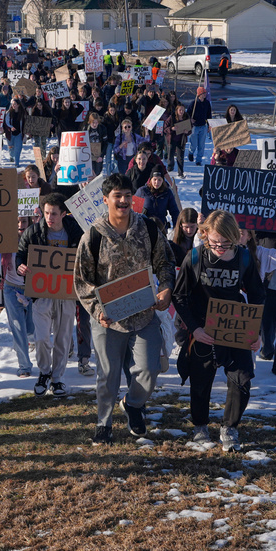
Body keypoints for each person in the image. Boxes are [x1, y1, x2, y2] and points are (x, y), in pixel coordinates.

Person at [74, 174, 175, 445]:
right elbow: (82, 281)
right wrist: (97, 311)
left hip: (144, 315)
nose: (123, 201)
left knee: (149, 370)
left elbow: (165, 264)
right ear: (105, 200)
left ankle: (133, 403)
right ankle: (103, 423)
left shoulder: (149, 229)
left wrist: (165, 288)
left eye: (127, 195)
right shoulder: (93, 236)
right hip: (109, 320)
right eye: (117, 196)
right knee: (107, 375)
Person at [173, 211, 265, 450]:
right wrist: (195, 328)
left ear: (235, 237)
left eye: (226, 243)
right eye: (214, 242)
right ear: (204, 235)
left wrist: (256, 332)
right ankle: (200, 425)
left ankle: (230, 427)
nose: (220, 247)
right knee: (201, 380)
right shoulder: (194, 257)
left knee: (242, 378)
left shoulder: (244, 258)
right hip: (203, 327)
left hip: (236, 325)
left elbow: (257, 295)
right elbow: (179, 296)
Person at [16, 193, 85, 397]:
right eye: (46, 213)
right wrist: (20, 265)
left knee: (63, 337)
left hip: (66, 293)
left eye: (54, 213)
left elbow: (86, 256)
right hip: (41, 293)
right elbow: (21, 254)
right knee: (42, 337)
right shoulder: (33, 232)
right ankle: (44, 372)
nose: (49, 217)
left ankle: (58, 378)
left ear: (64, 214)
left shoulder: (75, 232)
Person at [245, 223, 276, 377]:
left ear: (249, 235)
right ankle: (240, 372)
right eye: (237, 232)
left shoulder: (258, 252)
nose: (239, 236)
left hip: (271, 294)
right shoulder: (228, 250)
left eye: (243, 233)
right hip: (240, 302)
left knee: (274, 331)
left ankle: (249, 372)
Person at [2, 215, 36, 377]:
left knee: (31, 328)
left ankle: (27, 342)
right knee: (18, 328)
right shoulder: (4, 239)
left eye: (23, 221)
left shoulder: (36, 238)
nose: (20, 224)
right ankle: (24, 366)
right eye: (16, 221)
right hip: (11, 289)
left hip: (33, 290)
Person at [186, 87, 212, 166]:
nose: (205, 94)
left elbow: (209, 115)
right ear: (199, 95)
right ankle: (191, 152)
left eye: (205, 93)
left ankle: (199, 160)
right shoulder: (193, 103)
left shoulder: (207, 103)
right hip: (195, 126)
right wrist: (190, 119)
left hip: (203, 126)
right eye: (203, 93)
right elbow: (187, 114)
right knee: (194, 144)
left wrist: (209, 125)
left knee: (201, 144)